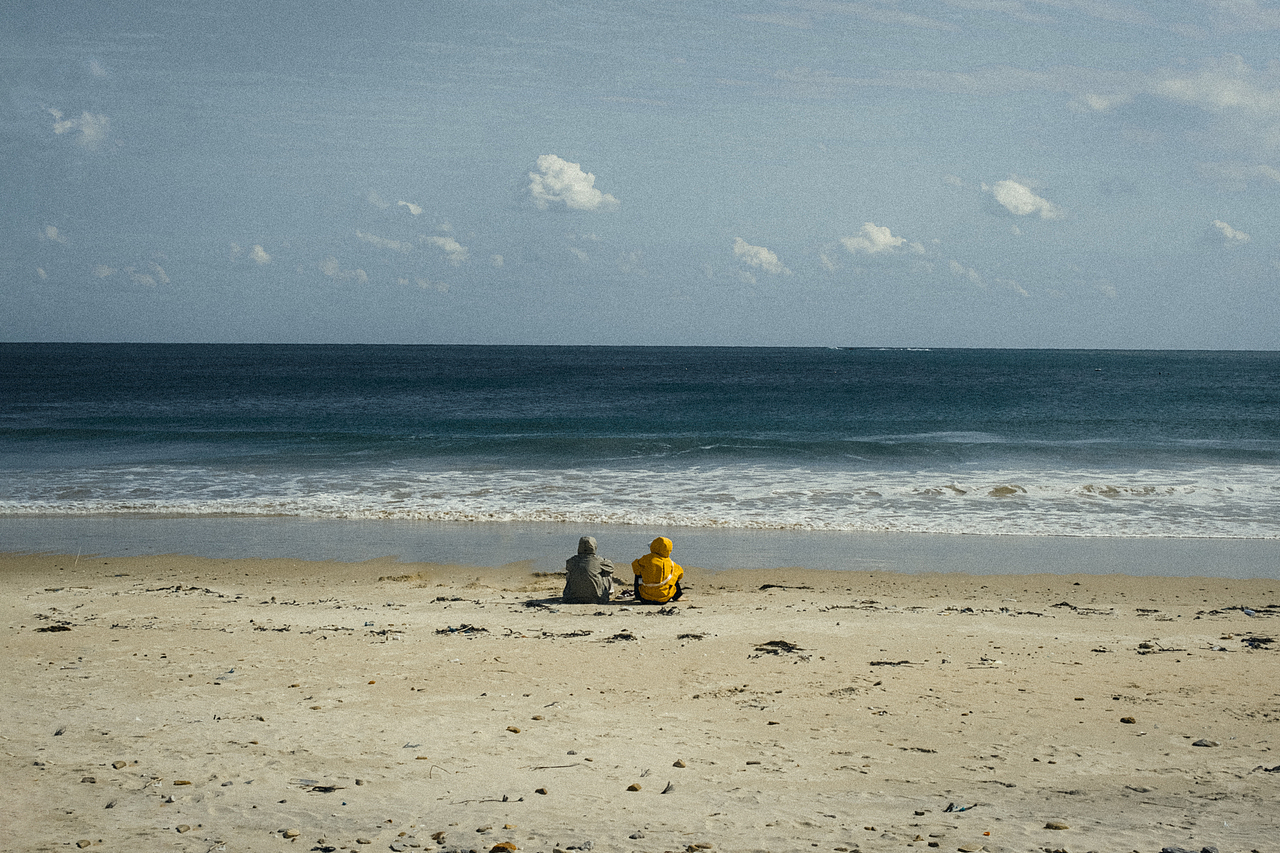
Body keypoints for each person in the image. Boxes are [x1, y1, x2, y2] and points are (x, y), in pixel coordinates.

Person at [562, 536, 615, 604]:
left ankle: (576, 591)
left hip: (572, 599)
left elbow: (568, 567)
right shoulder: (599, 561)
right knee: (606, 572)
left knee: (570, 573)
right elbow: (611, 568)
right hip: (597, 599)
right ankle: (609, 591)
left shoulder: (572, 560)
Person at [631, 536, 684, 604]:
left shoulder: (645, 559)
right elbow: (680, 575)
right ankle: (677, 596)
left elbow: (635, 566)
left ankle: (637, 595)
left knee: (639, 571)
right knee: (673, 574)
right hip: (664, 599)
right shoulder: (671, 564)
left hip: (645, 598)